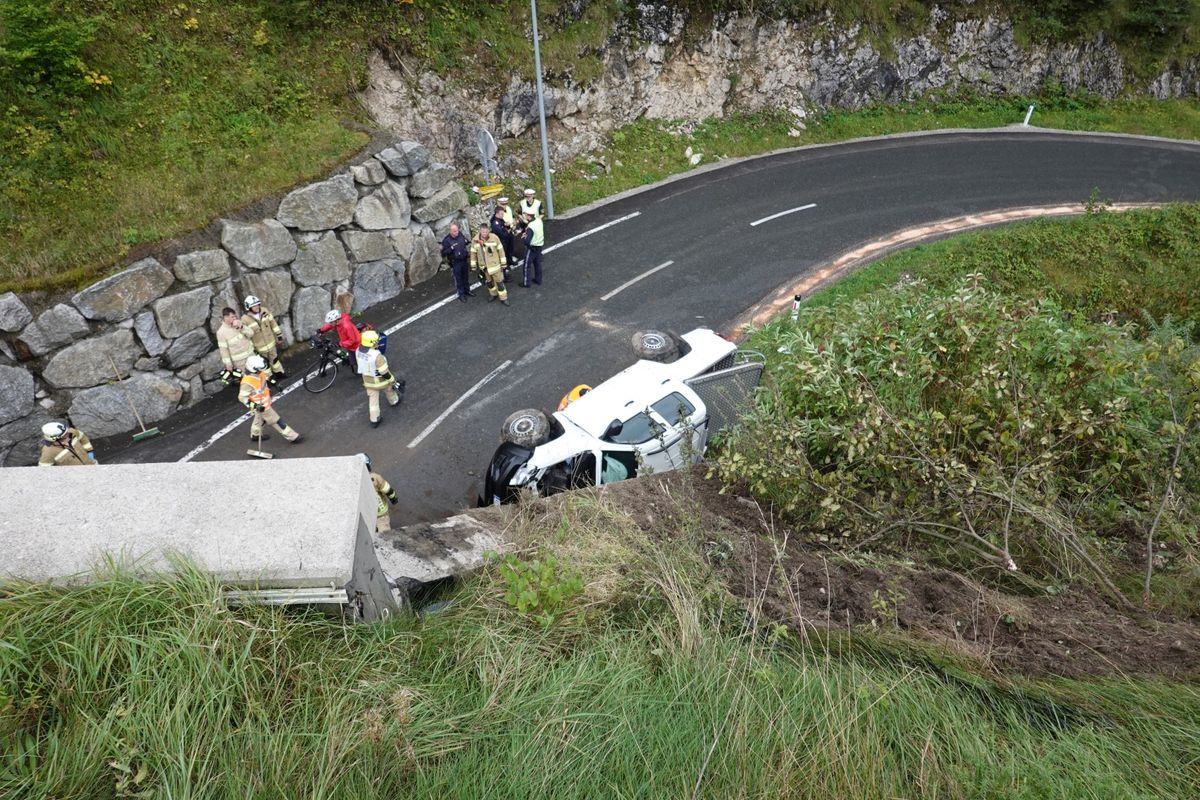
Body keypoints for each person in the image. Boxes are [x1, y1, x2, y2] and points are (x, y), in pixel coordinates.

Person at [238, 355, 301, 445]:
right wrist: (255, 406)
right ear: (254, 368)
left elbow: (267, 378)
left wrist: (276, 384)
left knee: (260, 419)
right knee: (277, 421)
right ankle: (293, 437)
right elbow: (242, 398)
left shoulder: (259, 373)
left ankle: (255, 435)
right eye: (260, 369)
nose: (262, 370)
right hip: (261, 406)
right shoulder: (247, 383)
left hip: (264, 402)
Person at [356, 330, 403, 428]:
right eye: (376, 341)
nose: (378, 342)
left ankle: (375, 419)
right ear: (372, 343)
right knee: (389, 390)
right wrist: (392, 380)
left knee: (373, 401)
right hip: (380, 381)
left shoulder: (358, 351)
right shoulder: (377, 356)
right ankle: (394, 401)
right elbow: (384, 372)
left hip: (368, 381)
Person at [240, 295, 286, 378]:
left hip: (271, 343)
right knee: (264, 364)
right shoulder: (245, 319)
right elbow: (247, 336)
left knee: (275, 360)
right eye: (254, 306)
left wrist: (279, 336)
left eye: (257, 304)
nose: (257, 307)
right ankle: (269, 379)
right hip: (259, 348)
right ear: (248, 307)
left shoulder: (265, 311)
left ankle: (279, 373)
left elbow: (273, 323)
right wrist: (252, 348)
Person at [470, 223, 509, 306]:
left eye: (486, 232)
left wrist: (503, 263)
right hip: (484, 268)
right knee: (489, 283)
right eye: (483, 232)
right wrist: (473, 265)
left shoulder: (494, 238)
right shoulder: (475, 240)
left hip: (495, 267)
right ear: (480, 231)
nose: (485, 234)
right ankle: (493, 294)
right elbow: (473, 253)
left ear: (488, 231)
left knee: (499, 283)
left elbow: (501, 250)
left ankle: (504, 298)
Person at [359, 453, 398, 534]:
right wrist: (394, 498)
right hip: (381, 513)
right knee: (385, 534)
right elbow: (388, 489)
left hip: (366, 514)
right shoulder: (375, 478)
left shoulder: (355, 482)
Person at [216, 307, 254, 385]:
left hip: (251, 355)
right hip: (240, 362)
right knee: (248, 380)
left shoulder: (238, 323)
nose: (235, 318)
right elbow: (224, 350)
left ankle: (262, 392)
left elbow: (251, 334)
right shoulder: (221, 332)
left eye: (235, 316)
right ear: (226, 317)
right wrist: (228, 364)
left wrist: (241, 327)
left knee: (258, 374)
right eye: (232, 317)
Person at [440, 222, 473, 303]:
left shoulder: (460, 235)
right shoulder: (446, 240)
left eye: (457, 230)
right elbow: (443, 253)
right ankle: (461, 294)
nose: (457, 232)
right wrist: (451, 249)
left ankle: (467, 291)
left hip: (464, 260)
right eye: (454, 231)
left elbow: (466, 241)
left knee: (465, 276)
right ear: (450, 231)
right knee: (458, 279)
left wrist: (466, 242)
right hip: (455, 262)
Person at [520, 211, 545, 287]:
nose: (524, 216)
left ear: (528, 216)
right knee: (537, 263)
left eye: (525, 214)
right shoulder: (538, 220)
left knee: (526, 265)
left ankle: (526, 283)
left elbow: (527, 241)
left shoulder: (531, 226)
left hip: (532, 248)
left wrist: (524, 237)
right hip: (539, 245)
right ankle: (538, 280)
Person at [492, 202, 516, 273]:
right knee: (503, 254)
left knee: (510, 249)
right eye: (501, 214)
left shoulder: (500, 219)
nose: (503, 215)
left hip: (507, 239)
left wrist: (507, 225)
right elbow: (502, 233)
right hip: (502, 241)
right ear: (497, 213)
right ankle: (505, 267)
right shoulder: (495, 223)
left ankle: (510, 261)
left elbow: (504, 225)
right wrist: (508, 230)